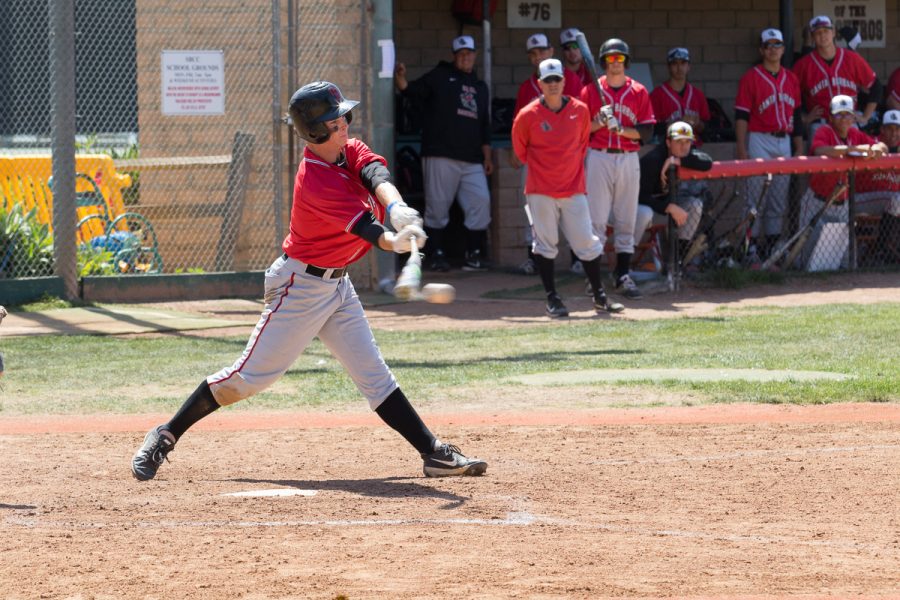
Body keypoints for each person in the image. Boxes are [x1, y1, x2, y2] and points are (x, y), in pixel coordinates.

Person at [131, 81, 487, 482]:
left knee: (374, 375)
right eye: (336, 123)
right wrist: (396, 240)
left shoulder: (345, 151)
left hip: (337, 286)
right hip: (299, 288)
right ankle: (165, 434)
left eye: (344, 118)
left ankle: (432, 452)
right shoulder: (316, 180)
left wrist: (397, 205)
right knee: (244, 380)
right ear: (316, 133)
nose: (345, 126)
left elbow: (374, 171)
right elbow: (371, 232)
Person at [512, 59, 624, 317]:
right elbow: (521, 151)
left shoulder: (580, 110)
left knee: (587, 242)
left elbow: (582, 141)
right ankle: (552, 299)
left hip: (574, 188)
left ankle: (599, 297)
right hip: (540, 190)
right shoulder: (527, 115)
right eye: (547, 80)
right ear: (539, 84)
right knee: (545, 244)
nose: (553, 85)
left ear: (564, 81)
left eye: (557, 80)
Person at [394, 35, 493, 272]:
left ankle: (474, 254)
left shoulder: (480, 87)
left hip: (472, 158)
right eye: (461, 54)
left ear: (475, 55)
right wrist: (400, 78)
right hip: (440, 154)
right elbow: (411, 91)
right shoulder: (439, 76)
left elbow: (484, 126)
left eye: (469, 53)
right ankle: (436, 253)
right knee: (437, 206)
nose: (465, 57)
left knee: (480, 201)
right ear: (454, 56)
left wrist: (487, 156)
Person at [580, 38, 655, 300]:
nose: (615, 63)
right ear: (603, 62)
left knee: (626, 219)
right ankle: (595, 279)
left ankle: (622, 275)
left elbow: (646, 131)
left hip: (628, 158)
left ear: (626, 61)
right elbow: (580, 131)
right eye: (610, 58)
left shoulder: (639, 91)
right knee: (596, 220)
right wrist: (599, 123)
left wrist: (622, 129)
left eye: (619, 58)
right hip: (598, 156)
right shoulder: (590, 91)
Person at [511, 33, 583, 275]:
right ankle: (534, 258)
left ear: (551, 51)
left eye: (542, 51)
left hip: (566, 160)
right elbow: (518, 125)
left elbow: (581, 121)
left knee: (572, 209)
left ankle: (578, 258)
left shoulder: (571, 80)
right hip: (536, 160)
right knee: (532, 209)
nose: (538, 56)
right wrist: (518, 152)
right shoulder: (525, 87)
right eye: (533, 53)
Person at [734, 28, 804, 260]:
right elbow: (741, 116)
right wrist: (742, 146)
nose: (773, 49)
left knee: (778, 198)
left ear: (783, 49)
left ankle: (773, 246)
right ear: (761, 50)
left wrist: (799, 146)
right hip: (759, 139)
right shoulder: (751, 77)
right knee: (755, 198)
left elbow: (796, 115)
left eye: (777, 45)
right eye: (769, 45)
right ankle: (750, 246)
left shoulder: (791, 78)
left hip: (784, 140)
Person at [799, 94, 888, 266]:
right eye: (839, 114)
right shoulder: (824, 131)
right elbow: (819, 150)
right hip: (817, 201)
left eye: (847, 114)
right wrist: (849, 150)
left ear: (853, 117)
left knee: (846, 259)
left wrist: (877, 149)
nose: (844, 119)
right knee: (807, 256)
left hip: (842, 203)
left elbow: (882, 145)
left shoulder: (855, 133)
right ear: (831, 117)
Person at [792, 15, 881, 136]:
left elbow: (876, 86)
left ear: (833, 32)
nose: (823, 36)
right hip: (821, 125)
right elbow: (788, 97)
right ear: (812, 37)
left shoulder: (852, 58)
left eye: (826, 31)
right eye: (818, 33)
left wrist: (865, 116)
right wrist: (805, 117)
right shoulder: (803, 65)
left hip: (849, 123)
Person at [638, 121, 713, 261]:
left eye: (687, 142)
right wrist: (668, 207)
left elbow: (707, 161)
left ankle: (679, 258)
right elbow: (639, 196)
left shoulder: (684, 154)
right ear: (668, 142)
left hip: (668, 203)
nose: (684, 146)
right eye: (679, 142)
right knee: (644, 212)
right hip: (647, 207)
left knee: (695, 204)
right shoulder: (653, 160)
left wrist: (677, 160)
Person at [854, 109, 900, 260]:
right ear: (882, 129)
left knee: (895, 201)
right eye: (890, 129)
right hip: (861, 199)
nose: (894, 133)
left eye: (898, 129)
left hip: (888, 207)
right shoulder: (872, 144)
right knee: (895, 199)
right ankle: (884, 249)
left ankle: (887, 249)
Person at [649, 47, 710, 146]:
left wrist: (698, 124)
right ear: (669, 67)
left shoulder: (698, 95)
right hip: (666, 149)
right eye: (674, 63)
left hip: (694, 147)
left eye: (683, 63)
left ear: (688, 66)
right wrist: (677, 123)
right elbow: (650, 129)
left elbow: (708, 127)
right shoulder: (656, 95)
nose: (679, 68)